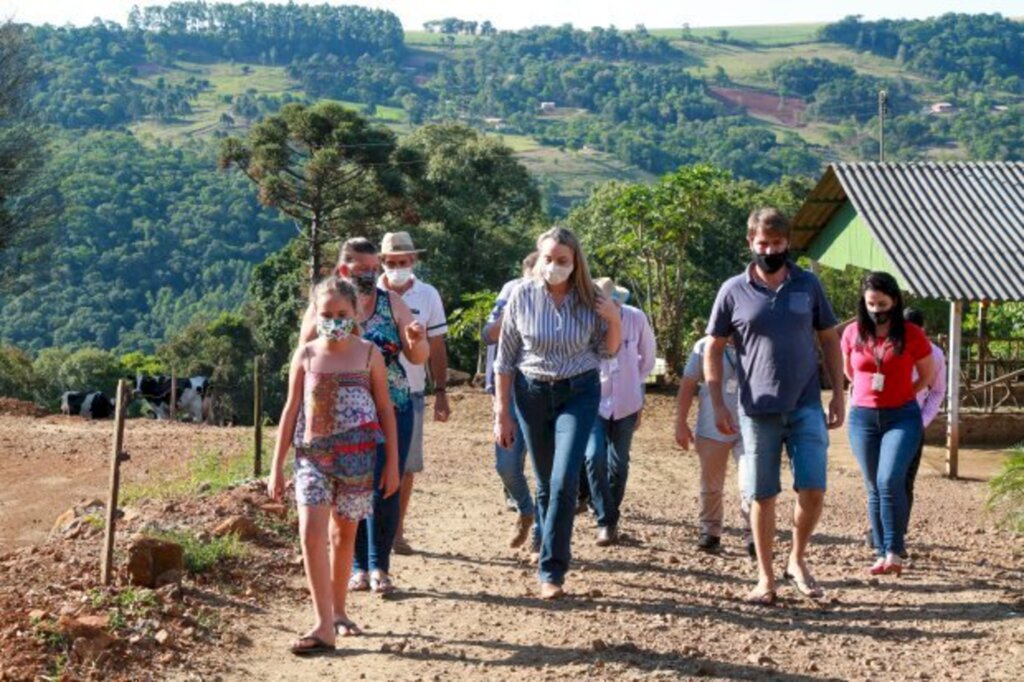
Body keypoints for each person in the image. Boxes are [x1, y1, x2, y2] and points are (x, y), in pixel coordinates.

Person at [706, 207, 845, 605]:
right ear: (750, 242)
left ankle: (797, 560)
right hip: (757, 409)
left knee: (814, 488)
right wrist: (718, 402)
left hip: (805, 404)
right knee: (762, 495)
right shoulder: (732, 291)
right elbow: (713, 349)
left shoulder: (808, 285)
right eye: (762, 243)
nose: (769, 250)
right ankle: (765, 577)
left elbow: (829, 339)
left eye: (777, 243)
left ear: (788, 244)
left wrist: (838, 392)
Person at [269, 277, 400, 655]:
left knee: (343, 536)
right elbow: (291, 410)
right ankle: (323, 623)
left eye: (342, 314)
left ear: (355, 313)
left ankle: (339, 612)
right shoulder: (306, 355)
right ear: (316, 315)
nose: (334, 321)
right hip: (312, 457)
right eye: (326, 314)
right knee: (312, 535)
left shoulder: (369, 354)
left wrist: (392, 463)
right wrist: (276, 466)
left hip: (359, 458)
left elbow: (385, 410)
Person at [493, 226, 621, 599]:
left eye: (562, 261)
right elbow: (505, 360)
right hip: (531, 392)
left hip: (578, 391)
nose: (554, 267)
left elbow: (608, 351)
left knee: (565, 481)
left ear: (575, 261)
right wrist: (502, 413)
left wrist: (613, 317)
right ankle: (547, 545)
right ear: (538, 259)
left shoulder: (591, 297)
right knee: (546, 481)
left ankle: (552, 570)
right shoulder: (521, 295)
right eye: (548, 259)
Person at [299, 237, 428, 597]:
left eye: (375, 268)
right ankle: (355, 567)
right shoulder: (324, 307)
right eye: (362, 268)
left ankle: (379, 567)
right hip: (340, 417)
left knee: (386, 486)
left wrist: (417, 340)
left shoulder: (394, 304)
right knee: (349, 490)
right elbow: (303, 355)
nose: (371, 275)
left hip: (393, 407)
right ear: (344, 269)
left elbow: (417, 355)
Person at [842, 273, 935, 576]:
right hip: (863, 417)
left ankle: (894, 550)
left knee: (889, 480)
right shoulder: (852, 333)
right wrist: (868, 394)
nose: (876, 309)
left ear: (894, 301)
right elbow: (850, 372)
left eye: (882, 303)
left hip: (902, 416)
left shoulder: (911, 334)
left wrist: (904, 393)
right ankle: (881, 552)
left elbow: (927, 376)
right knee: (872, 486)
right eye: (871, 303)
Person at [377, 231, 451, 556]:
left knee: (406, 465)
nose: (397, 268)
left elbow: (436, 344)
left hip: (414, 390)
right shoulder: (368, 294)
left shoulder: (428, 295)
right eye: (391, 262)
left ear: (413, 261)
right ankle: (370, 533)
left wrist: (442, 391)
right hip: (371, 392)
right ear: (382, 262)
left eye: (402, 262)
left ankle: (396, 530)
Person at [584, 277, 656, 546]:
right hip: (592, 402)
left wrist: (638, 392)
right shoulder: (585, 321)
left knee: (619, 461)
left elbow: (647, 358)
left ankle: (608, 512)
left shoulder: (635, 318)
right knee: (593, 457)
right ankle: (606, 520)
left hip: (627, 401)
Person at [676, 335, 753, 557]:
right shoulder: (703, 346)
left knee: (751, 483)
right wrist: (681, 422)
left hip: (750, 426)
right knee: (711, 484)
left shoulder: (756, 341)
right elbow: (688, 384)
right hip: (712, 427)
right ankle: (710, 530)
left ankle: (753, 534)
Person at [483, 252, 540, 550]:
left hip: (547, 392)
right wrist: (513, 308)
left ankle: (542, 540)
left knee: (547, 470)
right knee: (506, 466)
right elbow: (488, 335)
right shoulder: (511, 290)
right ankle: (526, 509)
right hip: (510, 394)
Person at [902, 307, 946, 541]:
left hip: (913, 424)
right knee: (882, 480)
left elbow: (938, 391)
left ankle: (898, 532)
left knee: (906, 480)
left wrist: (922, 422)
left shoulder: (935, 354)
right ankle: (880, 530)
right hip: (885, 421)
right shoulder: (890, 348)